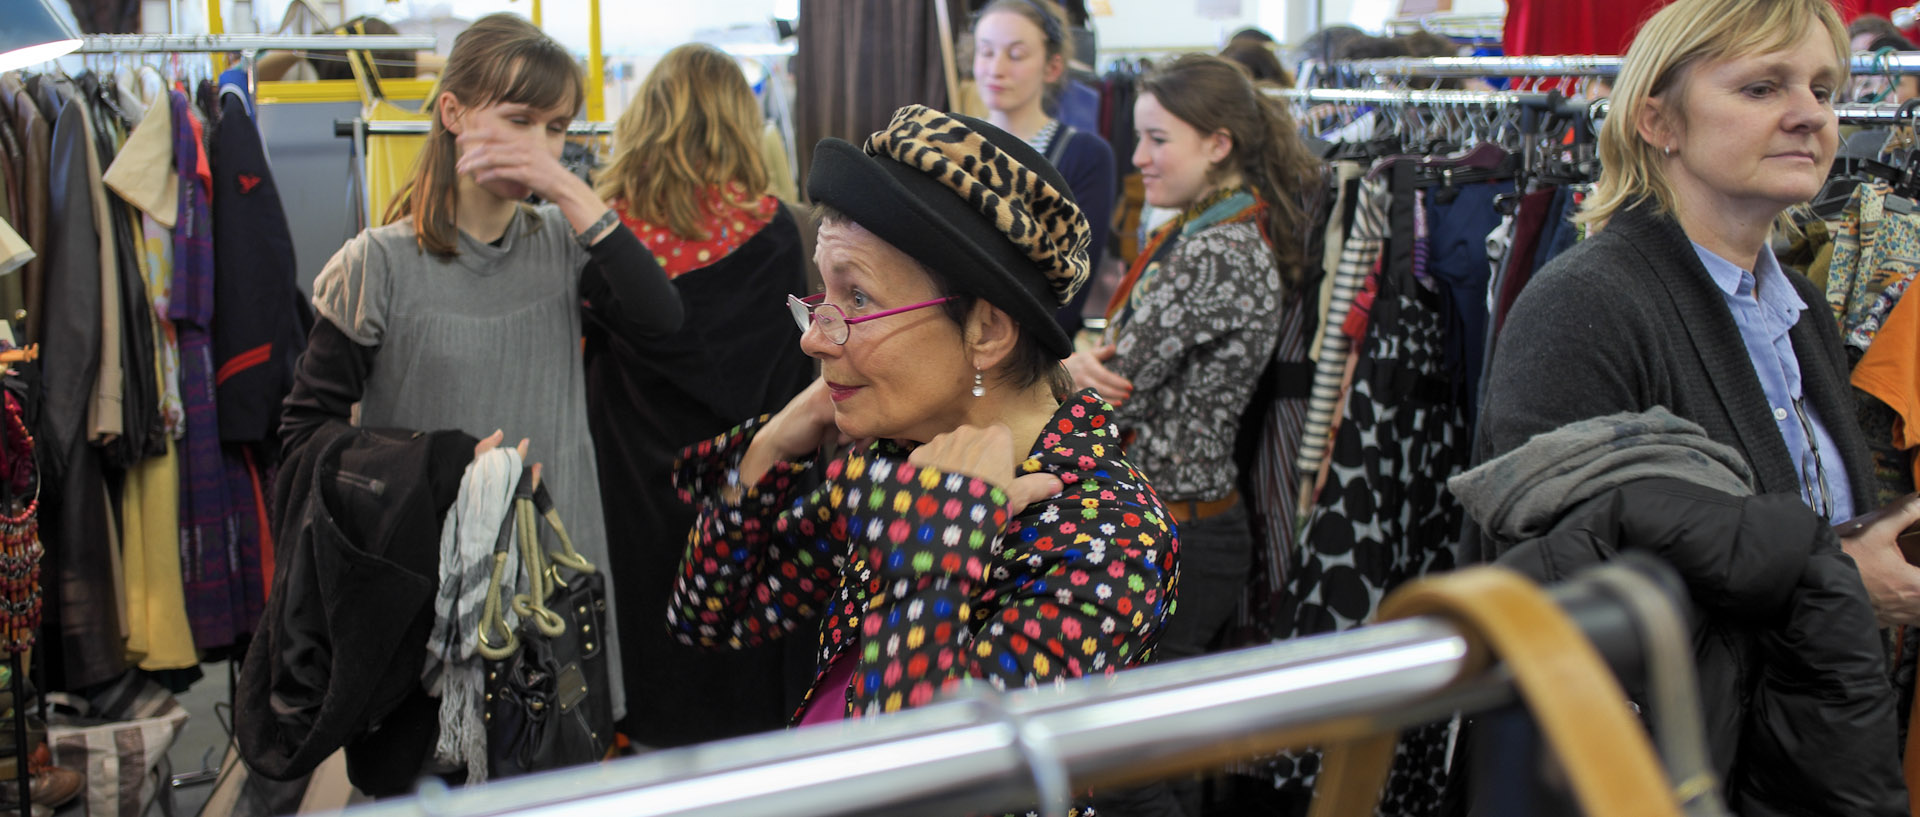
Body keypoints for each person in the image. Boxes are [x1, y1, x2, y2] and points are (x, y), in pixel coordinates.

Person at [1474, 0, 1914, 811]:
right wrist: (1845, 578)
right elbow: (1559, 592)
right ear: (1658, 120)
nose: (1809, 115)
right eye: (1761, 88)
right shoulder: (1587, 303)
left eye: (1822, 88)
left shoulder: (1802, 313)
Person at [665, 106, 1177, 747]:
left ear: (986, 329)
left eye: (857, 300)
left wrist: (932, 552)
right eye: (821, 298)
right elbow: (708, 614)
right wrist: (769, 445)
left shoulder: (1108, 532)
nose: (815, 342)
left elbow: (934, 780)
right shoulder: (895, 454)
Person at [279, 11, 683, 746]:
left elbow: (663, 323)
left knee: (557, 778)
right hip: (430, 591)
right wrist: (433, 459)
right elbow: (305, 435)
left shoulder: (563, 245)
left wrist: (568, 188)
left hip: (553, 586)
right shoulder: (378, 264)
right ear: (453, 112)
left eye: (557, 127)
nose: (540, 144)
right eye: (520, 119)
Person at [586, 42, 815, 748]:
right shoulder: (789, 233)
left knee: (648, 661)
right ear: (742, 125)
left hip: (630, 499)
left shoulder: (601, 242)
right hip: (753, 494)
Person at [1065, 54, 1320, 668]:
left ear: (1217, 144)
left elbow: (1112, 391)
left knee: (1148, 749)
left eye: (1157, 139)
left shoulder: (1214, 253)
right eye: (1139, 138)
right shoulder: (1202, 233)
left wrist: (1066, 367)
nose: (1138, 157)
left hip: (1182, 533)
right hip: (1171, 524)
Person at [972, 0, 1115, 340]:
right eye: (986, 52)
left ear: (1052, 67)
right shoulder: (949, 145)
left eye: (1016, 55)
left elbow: (1072, 285)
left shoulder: (1085, 155)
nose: (996, 69)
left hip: (1031, 350)